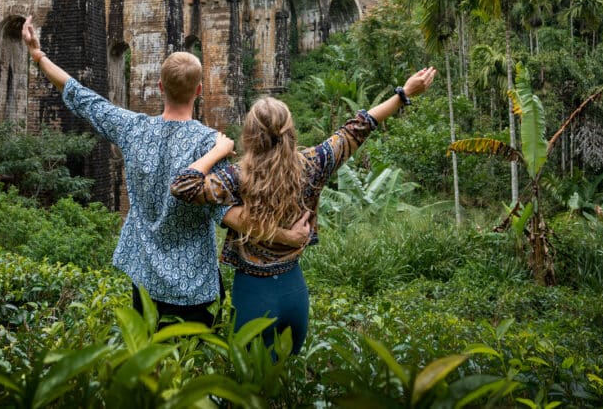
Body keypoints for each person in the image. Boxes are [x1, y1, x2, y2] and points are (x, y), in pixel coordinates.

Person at [20, 17, 310, 327]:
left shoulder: (134, 129)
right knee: (191, 366)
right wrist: (286, 236)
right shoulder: (211, 144)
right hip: (194, 287)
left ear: (160, 87)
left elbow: (82, 97)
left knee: (150, 362)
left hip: (144, 280)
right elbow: (231, 216)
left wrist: (38, 54)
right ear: (199, 90)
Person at [171, 67, 437, 352]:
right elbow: (360, 126)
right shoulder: (315, 163)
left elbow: (183, 186)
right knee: (289, 383)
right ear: (290, 131)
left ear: (249, 136)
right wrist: (404, 93)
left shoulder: (237, 177)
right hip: (294, 290)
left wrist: (218, 152)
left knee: (248, 385)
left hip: (252, 292)